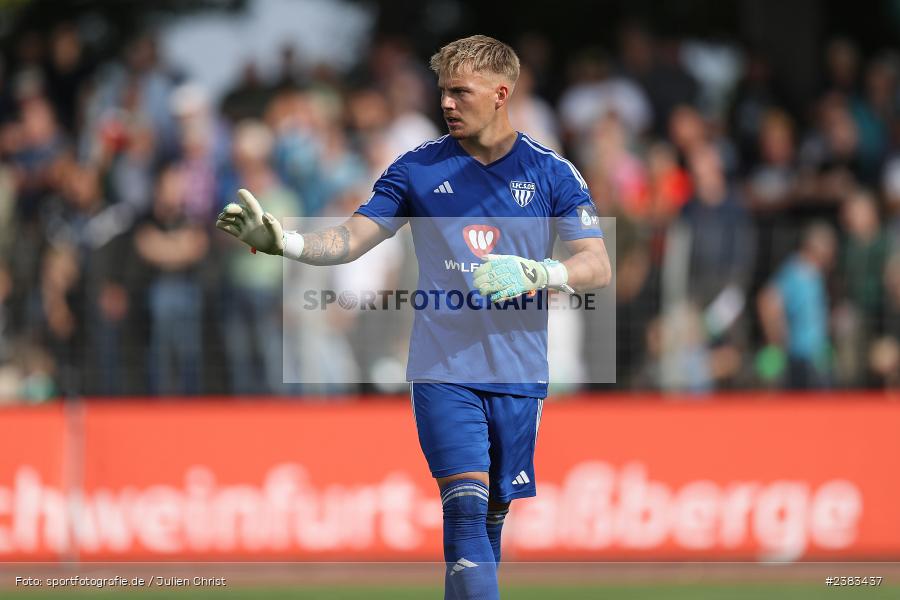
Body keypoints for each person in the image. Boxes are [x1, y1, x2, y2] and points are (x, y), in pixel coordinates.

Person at [216, 35, 611, 599]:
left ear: (501, 94)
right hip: (442, 367)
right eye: (442, 91)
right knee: (467, 511)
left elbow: (596, 263)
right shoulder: (418, 169)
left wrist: (541, 273)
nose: (447, 103)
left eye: (460, 91)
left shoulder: (553, 174)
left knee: (491, 521)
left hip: (520, 373)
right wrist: (288, 241)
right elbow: (353, 237)